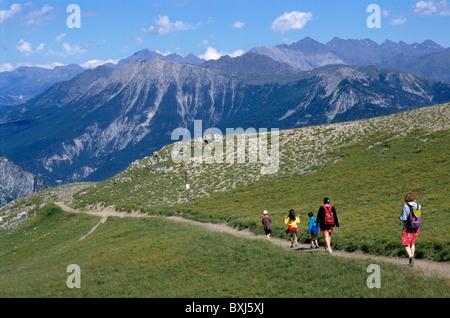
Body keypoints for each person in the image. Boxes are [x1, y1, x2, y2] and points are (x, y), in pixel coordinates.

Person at [399, 191, 421, 267]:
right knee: (412, 243)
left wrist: (400, 218)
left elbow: (404, 218)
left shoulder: (405, 206)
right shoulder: (418, 206)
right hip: (416, 227)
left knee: (406, 244)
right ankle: (412, 256)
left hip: (407, 228)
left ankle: (410, 257)